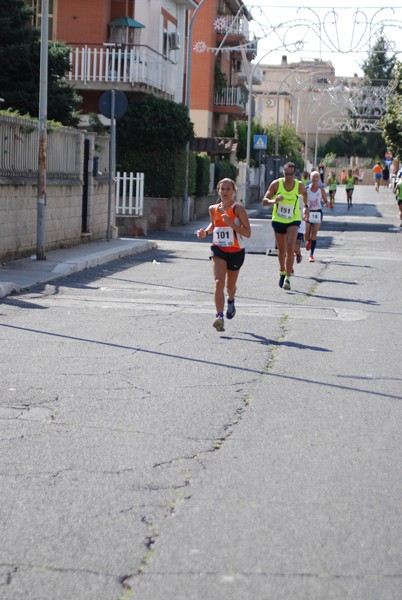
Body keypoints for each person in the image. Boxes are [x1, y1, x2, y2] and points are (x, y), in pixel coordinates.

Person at [197, 178, 251, 332]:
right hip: (218, 249)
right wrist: (205, 232)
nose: (225, 192)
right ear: (218, 191)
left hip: (236, 252)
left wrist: (231, 224)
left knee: (230, 286)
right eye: (222, 189)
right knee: (218, 283)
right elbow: (214, 224)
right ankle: (219, 316)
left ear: (233, 191)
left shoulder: (238, 209)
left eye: (228, 189)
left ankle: (231, 300)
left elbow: (247, 233)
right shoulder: (212, 208)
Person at [262, 162, 307, 291]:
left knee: (290, 247)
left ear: (295, 174)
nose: (288, 177)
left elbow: (304, 194)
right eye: (286, 174)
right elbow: (264, 201)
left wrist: (306, 207)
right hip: (278, 219)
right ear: (283, 173)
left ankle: (288, 278)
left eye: (291, 174)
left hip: (293, 220)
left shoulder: (299, 185)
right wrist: (274, 201)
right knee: (281, 250)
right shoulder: (276, 184)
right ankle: (282, 271)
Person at [304, 171, 329, 262]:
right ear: (310, 178)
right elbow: (302, 201)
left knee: (314, 234)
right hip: (308, 212)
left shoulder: (321, 190)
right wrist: (304, 208)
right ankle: (308, 241)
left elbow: (325, 200)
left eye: (317, 177)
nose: (315, 179)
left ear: (319, 179)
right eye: (313, 177)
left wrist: (327, 204)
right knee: (306, 235)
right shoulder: (306, 189)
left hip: (318, 213)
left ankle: (311, 255)